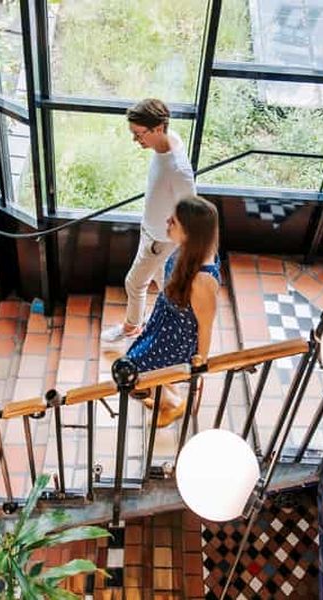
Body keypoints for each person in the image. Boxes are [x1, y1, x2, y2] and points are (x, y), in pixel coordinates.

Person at [101, 98, 196, 343]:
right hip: (152, 232)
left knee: (134, 283)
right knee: (164, 285)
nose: (135, 140)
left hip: (160, 241)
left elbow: (191, 212)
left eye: (138, 134)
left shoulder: (179, 170)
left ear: (158, 128)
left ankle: (133, 327)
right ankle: (174, 329)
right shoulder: (168, 141)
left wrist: (175, 243)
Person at [125, 196, 220, 427]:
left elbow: (206, 326)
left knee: (131, 374)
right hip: (165, 323)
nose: (167, 221)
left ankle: (171, 405)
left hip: (176, 340)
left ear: (189, 233)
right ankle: (165, 391)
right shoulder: (189, 250)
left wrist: (199, 364)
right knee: (139, 361)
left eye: (174, 221)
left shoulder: (202, 281)